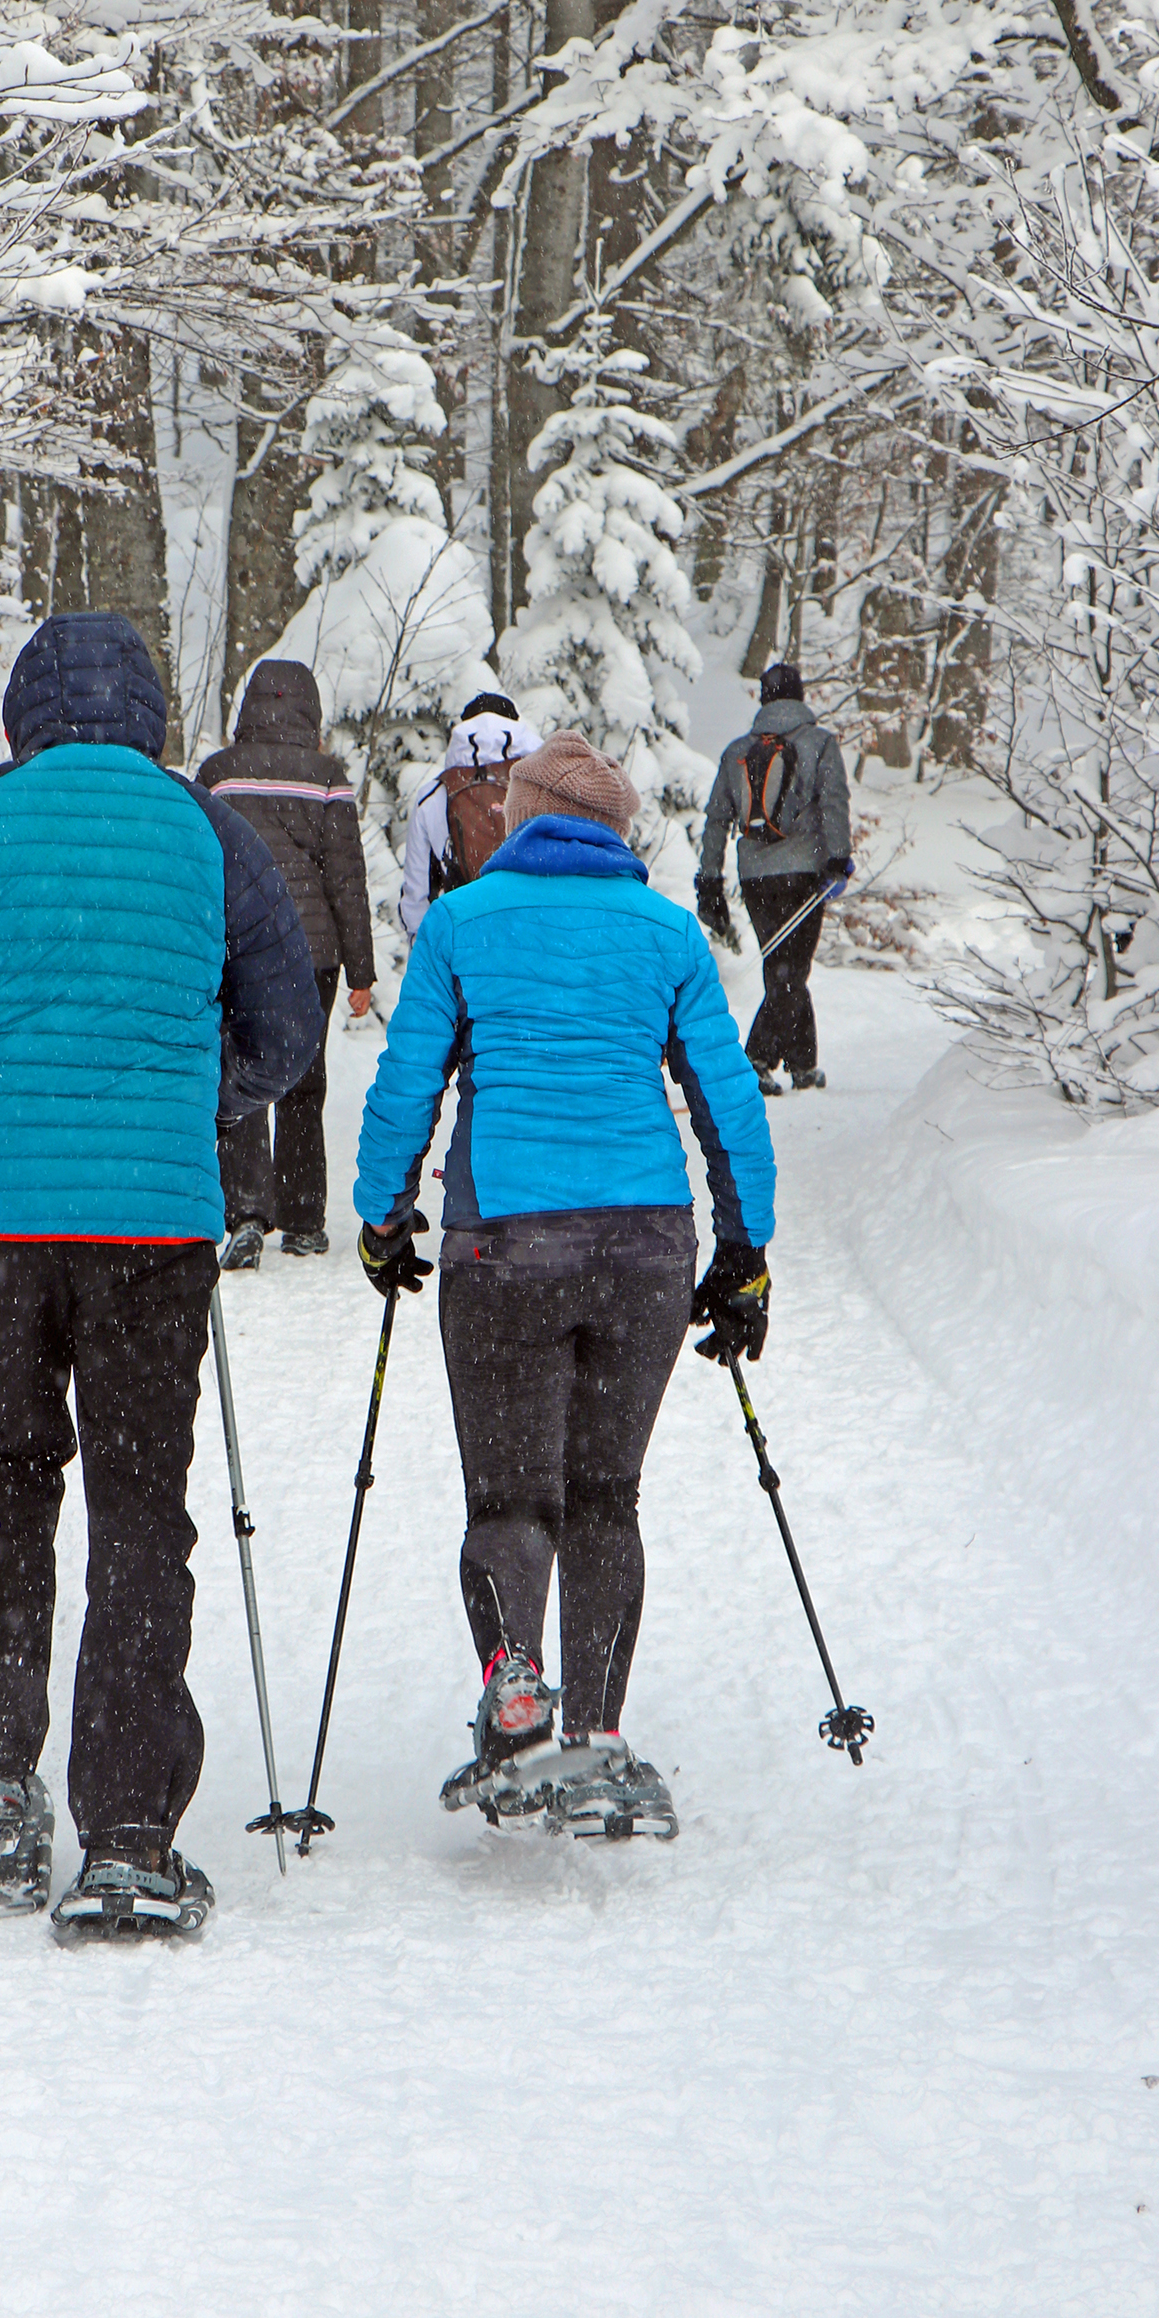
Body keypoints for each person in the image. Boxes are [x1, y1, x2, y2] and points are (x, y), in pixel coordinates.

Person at [0, 613, 321, 1942]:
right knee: (141, 1509)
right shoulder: (205, 830)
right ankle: (126, 1836)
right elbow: (288, 1023)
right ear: (150, 715)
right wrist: (188, 1100)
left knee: (9, 1472)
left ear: (23, 714)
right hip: (154, 1232)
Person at [353, 728, 776, 1841]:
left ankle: (512, 1685)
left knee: (508, 1499)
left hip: (504, 1250)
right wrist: (744, 1255)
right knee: (603, 1495)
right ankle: (591, 1735)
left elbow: (405, 1084)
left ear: (526, 817)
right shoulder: (665, 932)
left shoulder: (461, 923)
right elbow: (725, 1100)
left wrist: (381, 1217)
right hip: (644, 1249)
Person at [197, 659, 375, 1267]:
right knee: (304, 1073)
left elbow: (198, 862)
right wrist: (361, 970)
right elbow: (346, 877)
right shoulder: (327, 776)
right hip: (310, 950)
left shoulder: (217, 775)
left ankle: (245, 1210)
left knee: (239, 1070)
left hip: (236, 940)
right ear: (310, 710)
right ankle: (302, 1219)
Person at [695, 661, 853, 1094]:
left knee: (784, 968)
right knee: (789, 970)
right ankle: (756, 1061)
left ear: (764, 700)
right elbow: (833, 803)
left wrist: (709, 878)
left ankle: (803, 1067)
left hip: (756, 876)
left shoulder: (736, 751)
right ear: (799, 696)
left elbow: (715, 819)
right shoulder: (820, 743)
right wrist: (839, 858)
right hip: (805, 870)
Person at [399, 690, 544, 936]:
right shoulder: (543, 785)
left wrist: (424, 951)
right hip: (534, 937)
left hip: (467, 936)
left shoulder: (434, 795)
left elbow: (417, 895)